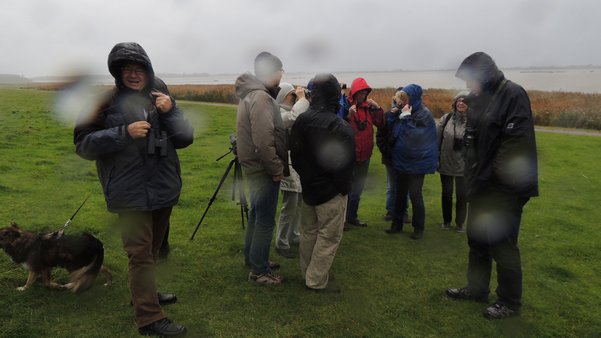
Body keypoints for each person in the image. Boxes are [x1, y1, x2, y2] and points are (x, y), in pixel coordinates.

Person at [74, 42, 193, 336]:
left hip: (163, 187)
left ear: (147, 70)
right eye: (126, 69)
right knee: (140, 254)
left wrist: (171, 109)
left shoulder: (160, 91)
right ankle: (149, 318)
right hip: (129, 193)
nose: (133, 74)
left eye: (138, 68)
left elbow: (185, 137)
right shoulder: (103, 101)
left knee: (151, 251)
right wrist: (122, 133)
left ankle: (144, 295)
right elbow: (83, 144)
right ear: (117, 73)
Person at [446, 52, 539, 319]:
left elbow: (514, 144)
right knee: (477, 240)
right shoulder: (481, 100)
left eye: (470, 80)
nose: (467, 86)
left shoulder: (513, 95)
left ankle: (509, 301)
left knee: (503, 244)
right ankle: (476, 288)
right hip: (482, 184)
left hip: (505, 188)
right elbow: (474, 141)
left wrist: (490, 178)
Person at [290, 73, 355, 292]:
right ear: (335, 95)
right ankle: (316, 280)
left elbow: (295, 154)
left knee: (309, 232)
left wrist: (307, 177)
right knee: (328, 236)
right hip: (330, 191)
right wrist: (342, 188)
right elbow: (345, 164)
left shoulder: (302, 120)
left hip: (309, 188)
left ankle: (309, 273)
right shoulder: (339, 126)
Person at [235, 51, 288, 285]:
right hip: (263, 169)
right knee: (265, 219)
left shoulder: (250, 94)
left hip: (253, 168)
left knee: (257, 215)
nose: (281, 75)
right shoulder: (262, 97)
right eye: (280, 70)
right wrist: (276, 168)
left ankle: (254, 257)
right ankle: (259, 271)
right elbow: (264, 140)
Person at [384, 84, 438, 240]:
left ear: (413, 97)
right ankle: (397, 224)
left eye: (406, 97)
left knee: (415, 195)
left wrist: (406, 117)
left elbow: (416, 137)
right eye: (403, 97)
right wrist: (394, 116)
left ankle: (418, 228)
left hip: (417, 163)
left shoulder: (424, 114)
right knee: (400, 195)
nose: (403, 100)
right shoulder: (405, 111)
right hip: (402, 160)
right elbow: (395, 133)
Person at [274, 82, 310, 259]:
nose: (294, 98)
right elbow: (293, 117)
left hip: (297, 161)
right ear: (282, 97)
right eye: (291, 95)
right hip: (287, 163)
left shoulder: (290, 111)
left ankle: (294, 235)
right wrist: (302, 100)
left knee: (299, 202)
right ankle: (281, 241)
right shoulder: (278, 113)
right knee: (290, 204)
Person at [344, 77, 385, 228]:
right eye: (360, 92)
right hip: (350, 155)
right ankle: (342, 219)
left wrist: (378, 107)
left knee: (358, 189)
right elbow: (339, 127)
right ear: (354, 93)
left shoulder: (369, 108)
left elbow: (382, 124)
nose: (362, 95)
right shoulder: (346, 106)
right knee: (346, 188)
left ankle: (352, 217)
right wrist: (348, 115)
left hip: (365, 155)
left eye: (364, 93)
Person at [375, 87, 409, 223]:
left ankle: (403, 212)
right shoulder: (388, 115)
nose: (399, 102)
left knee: (403, 186)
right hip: (390, 156)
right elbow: (380, 136)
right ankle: (390, 211)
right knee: (392, 186)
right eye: (397, 98)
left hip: (404, 157)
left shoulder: (409, 115)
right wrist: (387, 151)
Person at [437, 91, 470, 232]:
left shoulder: (474, 121)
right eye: (459, 100)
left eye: (464, 101)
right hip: (446, 163)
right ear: (455, 103)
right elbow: (436, 140)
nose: (461, 103)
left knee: (462, 196)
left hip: (464, 165)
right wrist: (436, 158)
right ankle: (446, 221)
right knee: (446, 194)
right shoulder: (446, 118)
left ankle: (460, 223)